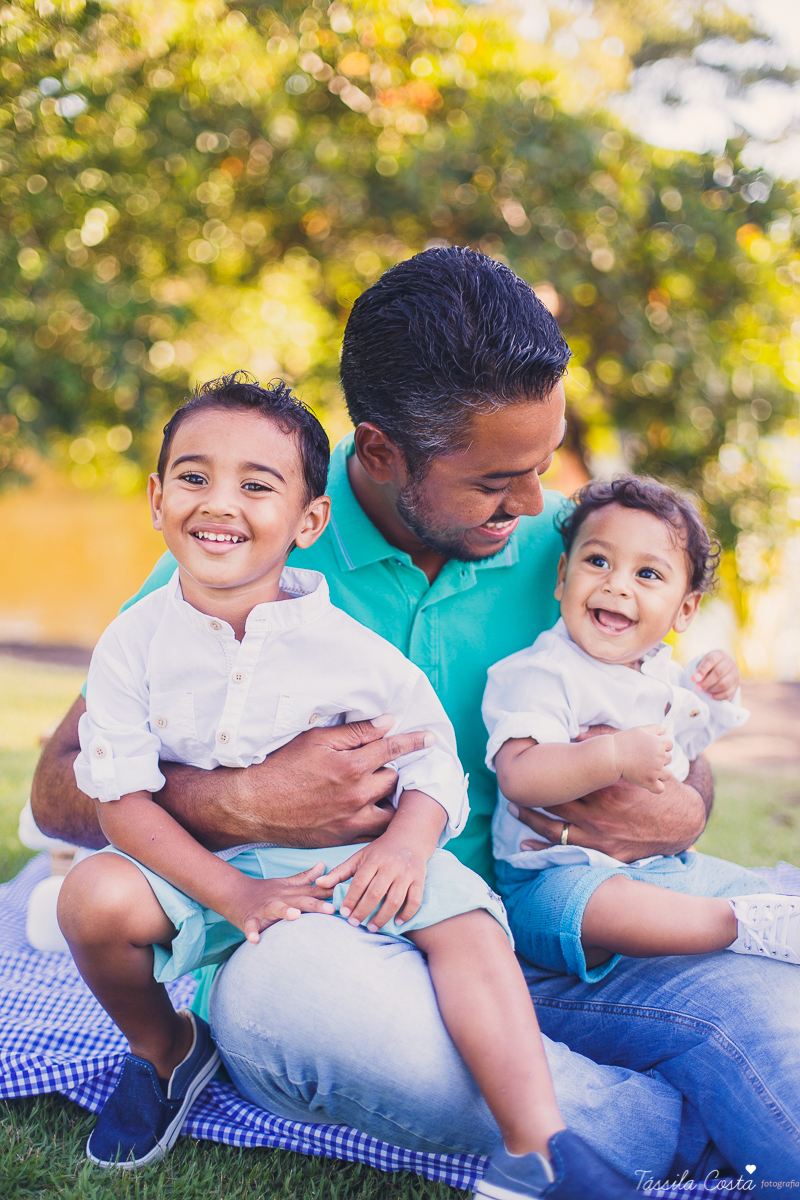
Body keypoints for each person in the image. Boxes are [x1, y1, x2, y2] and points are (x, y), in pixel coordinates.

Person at [31, 248, 800, 1184]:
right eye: (494, 482)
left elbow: (674, 730)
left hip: (567, 923)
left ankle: (639, 1133)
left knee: (777, 1021)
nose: (532, 506)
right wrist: (239, 802)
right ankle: (635, 1138)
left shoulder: (580, 551)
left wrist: (679, 807)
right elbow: (64, 780)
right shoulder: (241, 550)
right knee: (294, 1000)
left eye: (541, 466)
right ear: (383, 451)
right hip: (350, 943)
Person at [58, 376, 635, 1198]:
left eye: (256, 486)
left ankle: (534, 1143)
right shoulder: (131, 644)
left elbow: (434, 754)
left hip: (356, 858)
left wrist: (405, 843)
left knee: (469, 929)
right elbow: (117, 798)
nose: (219, 503)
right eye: (193, 477)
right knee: (90, 899)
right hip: (201, 869)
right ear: (156, 498)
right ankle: (166, 1051)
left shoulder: (342, 646)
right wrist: (233, 894)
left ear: (308, 521)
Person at [485, 475, 800, 983]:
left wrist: (717, 691)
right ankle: (735, 926)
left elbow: (686, 753)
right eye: (598, 561)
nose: (617, 584)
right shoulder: (541, 672)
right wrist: (613, 757)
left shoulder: (663, 678)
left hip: (656, 870)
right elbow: (519, 775)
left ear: (685, 609)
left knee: (731, 880)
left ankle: (767, 912)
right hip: (547, 883)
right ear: (563, 575)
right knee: (602, 901)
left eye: (648, 574)